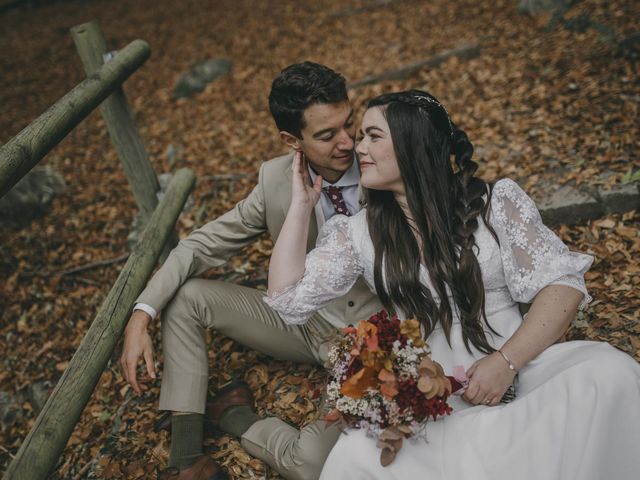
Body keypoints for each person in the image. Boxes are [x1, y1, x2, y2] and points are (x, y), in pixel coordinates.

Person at [266, 89, 640, 479]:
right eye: (361, 136)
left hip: (520, 362)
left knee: (610, 375)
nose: (358, 147)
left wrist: (506, 362)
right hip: (430, 390)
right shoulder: (360, 233)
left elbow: (562, 285)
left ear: (414, 144)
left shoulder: (494, 203)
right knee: (357, 457)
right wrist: (301, 205)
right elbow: (287, 298)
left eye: (373, 136)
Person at [119, 61, 382, 480]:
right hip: (302, 323)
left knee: (314, 465)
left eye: (348, 123)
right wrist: (141, 314)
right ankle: (187, 460)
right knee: (186, 298)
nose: (348, 142)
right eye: (327, 135)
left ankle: (233, 417)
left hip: (377, 339)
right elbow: (200, 245)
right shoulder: (275, 181)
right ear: (291, 140)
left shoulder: (382, 162)